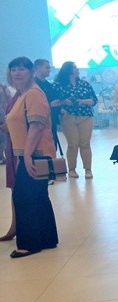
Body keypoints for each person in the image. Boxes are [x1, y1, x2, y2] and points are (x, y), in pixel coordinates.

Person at [3, 56, 58, 257]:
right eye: (14, 70)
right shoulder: (23, 94)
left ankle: (29, 244)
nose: (17, 73)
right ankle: (47, 238)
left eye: (22, 69)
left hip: (36, 153)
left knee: (23, 196)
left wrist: (26, 156)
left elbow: (36, 126)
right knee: (38, 196)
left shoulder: (34, 93)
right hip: (30, 152)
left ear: (31, 72)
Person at [54, 61, 97, 179]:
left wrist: (83, 101)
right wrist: (63, 103)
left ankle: (88, 169)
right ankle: (72, 169)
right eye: (74, 68)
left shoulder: (85, 84)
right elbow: (54, 102)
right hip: (68, 117)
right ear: (67, 70)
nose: (77, 69)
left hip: (86, 116)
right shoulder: (58, 85)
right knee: (73, 144)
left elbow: (94, 100)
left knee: (85, 144)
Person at [33, 59, 63, 157]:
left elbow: (55, 99)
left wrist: (60, 108)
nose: (49, 70)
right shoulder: (32, 85)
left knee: (52, 145)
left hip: (51, 120)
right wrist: (50, 105)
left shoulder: (49, 85)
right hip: (38, 122)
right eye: (47, 67)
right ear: (38, 68)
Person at [0, 82, 17, 241]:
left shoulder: (25, 93)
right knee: (15, 186)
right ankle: (15, 224)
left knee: (19, 186)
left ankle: (17, 225)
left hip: (19, 144)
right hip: (13, 143)